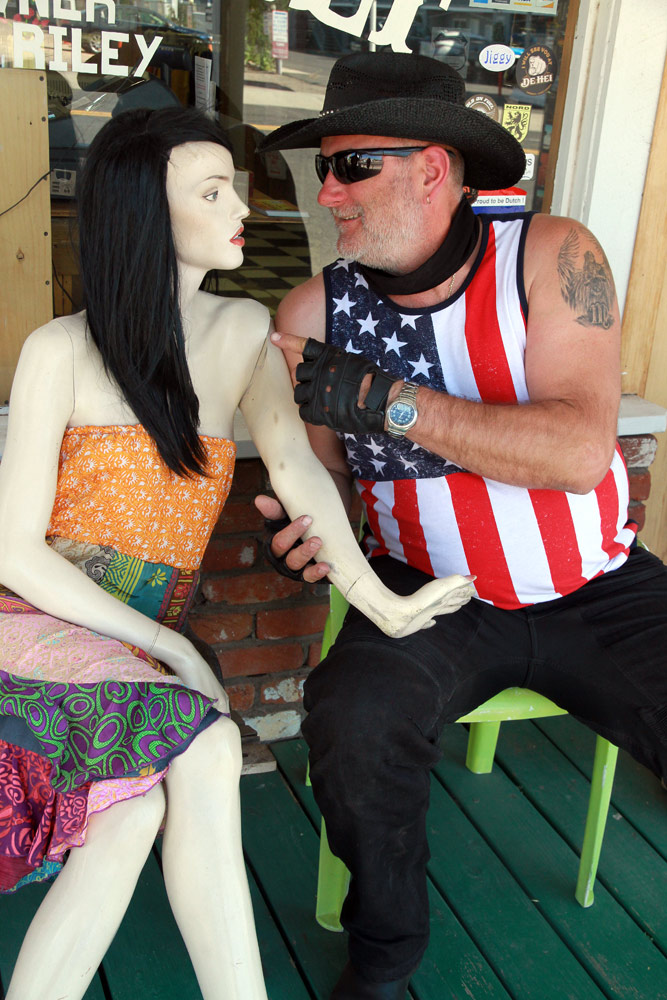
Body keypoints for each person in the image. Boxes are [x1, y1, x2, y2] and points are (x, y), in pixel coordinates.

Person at [0, 105, 474, 1000]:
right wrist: (176, 650)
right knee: (212, 746)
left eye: (234, 187)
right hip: (34, 626)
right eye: (213, 191)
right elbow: (16, 555)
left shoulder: (245, 331)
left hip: (136, 643)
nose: (242, 208)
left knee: (130, 815)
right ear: (147, 213)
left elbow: (296, 471)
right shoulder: (58, 349)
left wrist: (381, 602)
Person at [255, 52, 667, 1000]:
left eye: (352, 165)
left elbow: (577, 452)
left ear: (432, 168)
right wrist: (306, 541)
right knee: (352, 726)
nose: (326, 190)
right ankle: (385, 956)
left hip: (597, 583)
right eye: (322, 166)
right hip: (423, 594)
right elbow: (324, 483)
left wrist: (387, 401)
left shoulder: (550, 256)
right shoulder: (315, 311)